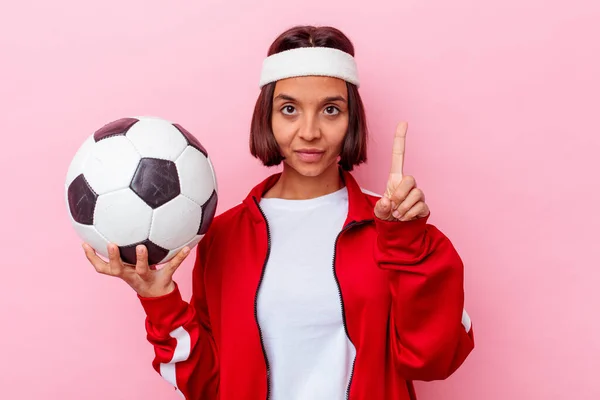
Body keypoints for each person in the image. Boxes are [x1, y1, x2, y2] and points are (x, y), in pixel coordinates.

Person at [83, 25, 474, 400]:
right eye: (289, 109)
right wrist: (160, 299)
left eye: (331, 110)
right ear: (266, 118)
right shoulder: (224, 235)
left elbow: (432, 359)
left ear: (352, 119)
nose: (309, 131)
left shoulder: (394, 227)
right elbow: (208, 387)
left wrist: (407, 242)